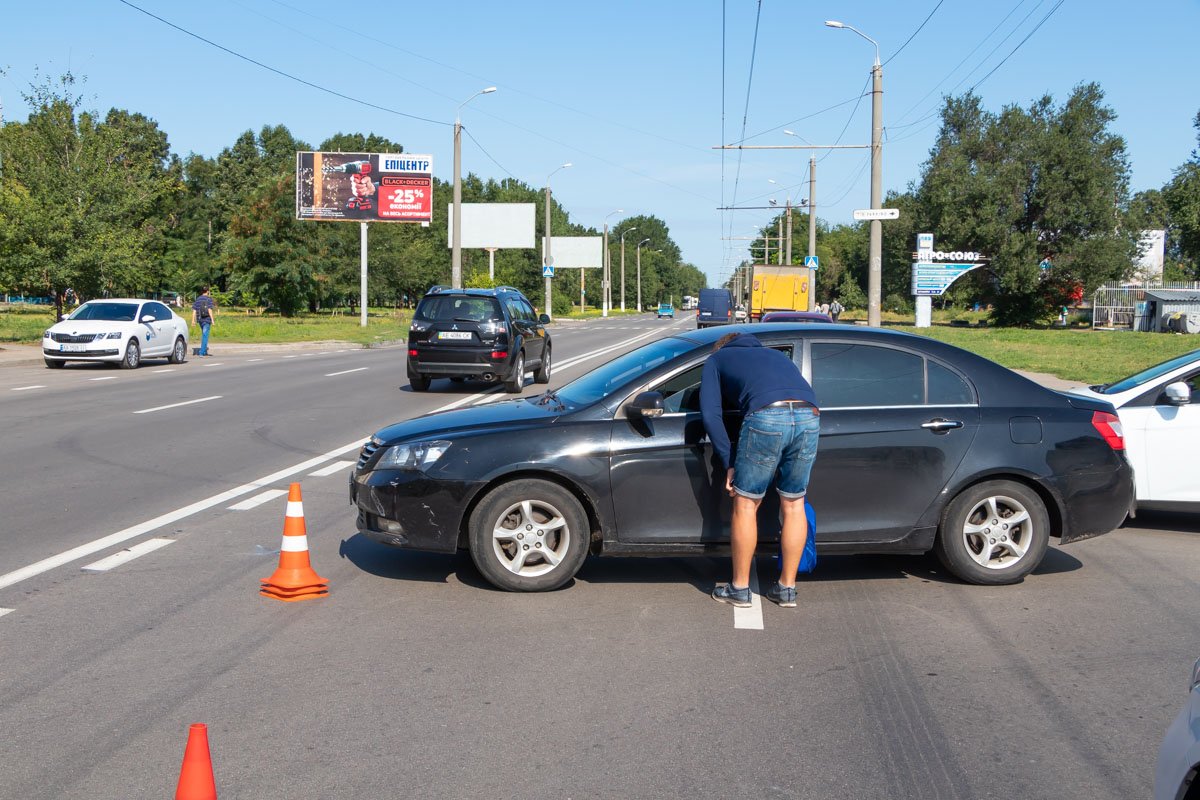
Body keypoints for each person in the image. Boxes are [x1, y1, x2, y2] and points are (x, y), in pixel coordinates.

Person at [700, 332, 820, 609]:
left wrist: (729, 461)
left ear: (722, 347)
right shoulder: (778, 356)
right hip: (809, 415)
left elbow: (711, 414)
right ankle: (786, 589)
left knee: (746, 503)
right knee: (793, 503)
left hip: (767, 415)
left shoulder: (717, 359)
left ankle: (740, 589)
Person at [191, 287, 217, 356]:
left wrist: (193, 320)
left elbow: (194, 310)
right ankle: (201, 352)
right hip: (207, 319)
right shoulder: (209, 299)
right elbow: (209, 310)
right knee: (205, 336)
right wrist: (212, 320)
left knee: (204, 334)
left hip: (200, 320)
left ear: (202, 291)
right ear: (207, 291)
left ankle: (204, 351)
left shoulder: (198, 299)